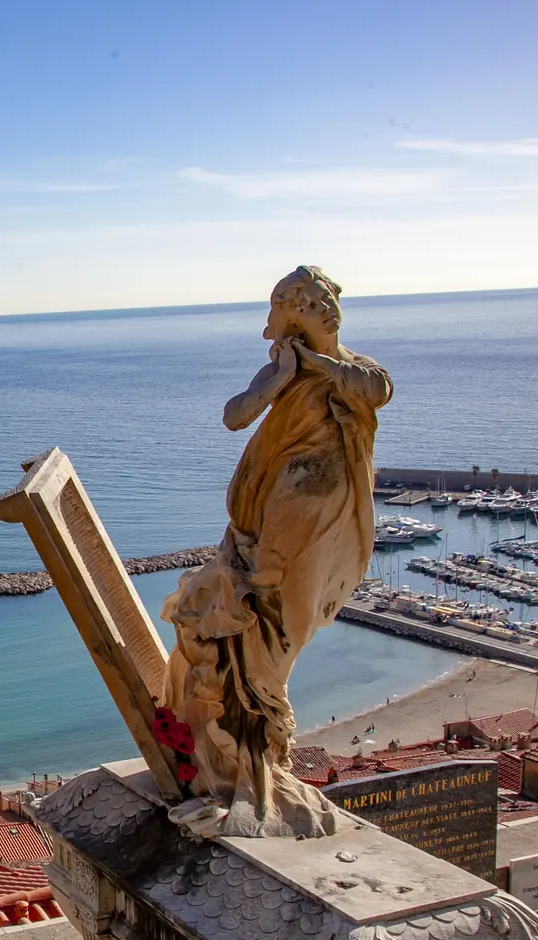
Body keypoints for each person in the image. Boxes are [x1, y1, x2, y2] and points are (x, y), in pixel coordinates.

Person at [162, 266, 393, 838]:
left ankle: (257, 748)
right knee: (242, 615)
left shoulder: (355, 371)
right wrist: (277, 380)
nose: (323, 315)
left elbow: (376, 391)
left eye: (318, 306)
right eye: (308, 308)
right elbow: (234, 415)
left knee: (278, 627)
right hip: (270, 509)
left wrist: (318, 364)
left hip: (318, 514)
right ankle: (240, 750)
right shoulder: (282, 369)